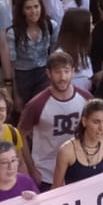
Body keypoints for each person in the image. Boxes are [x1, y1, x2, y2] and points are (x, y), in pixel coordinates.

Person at [18, 51, 88, 187]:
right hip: (46, 174)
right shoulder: (36, 104)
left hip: (78, 171)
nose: (63, 77)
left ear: (73, 72)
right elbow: (20, 134)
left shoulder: (86, 99)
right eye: (57, 72)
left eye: (66, 71)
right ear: (48, 73)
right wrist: (31, 169)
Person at [52, 98, 103, 186]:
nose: (102, 128)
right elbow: (56, 188)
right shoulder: (66, 150)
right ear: (84, 121)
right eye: (96, 122)